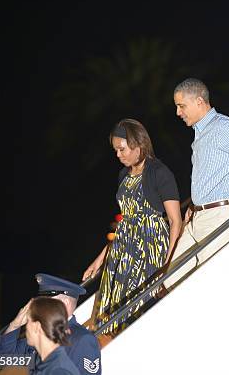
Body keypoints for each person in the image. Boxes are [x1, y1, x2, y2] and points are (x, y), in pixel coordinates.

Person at [163, 78, 229, 288]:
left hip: (220, 216)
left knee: (217, 285)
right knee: (171, 281)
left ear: (199, 101)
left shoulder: (222, 127)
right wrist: (194, 206)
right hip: (198, 218)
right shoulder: (201, 134)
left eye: (181, 106)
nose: (178, 112)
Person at [82, 119, 182, 331]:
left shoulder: (159, 172)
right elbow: (125, 222)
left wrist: (168, 262)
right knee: (115, 312)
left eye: (122, 149)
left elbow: (175, 221)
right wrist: (99, 260)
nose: (118, 155)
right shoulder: (123, 175)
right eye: (116, 150)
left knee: (141, 311)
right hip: (123, 250)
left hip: (150, 248)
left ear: (138, 145)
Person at [0, 273, 101, 375]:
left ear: (65, 303)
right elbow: (5, 361)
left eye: (46, 302)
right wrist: (15, 325)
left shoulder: (82, 339)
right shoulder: (40, 332)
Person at [25, 297, 80, 374]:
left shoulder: (59, 371)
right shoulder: (46, 362)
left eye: (28, 321)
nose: (26, 327)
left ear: (37, 326)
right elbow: (5, 360)